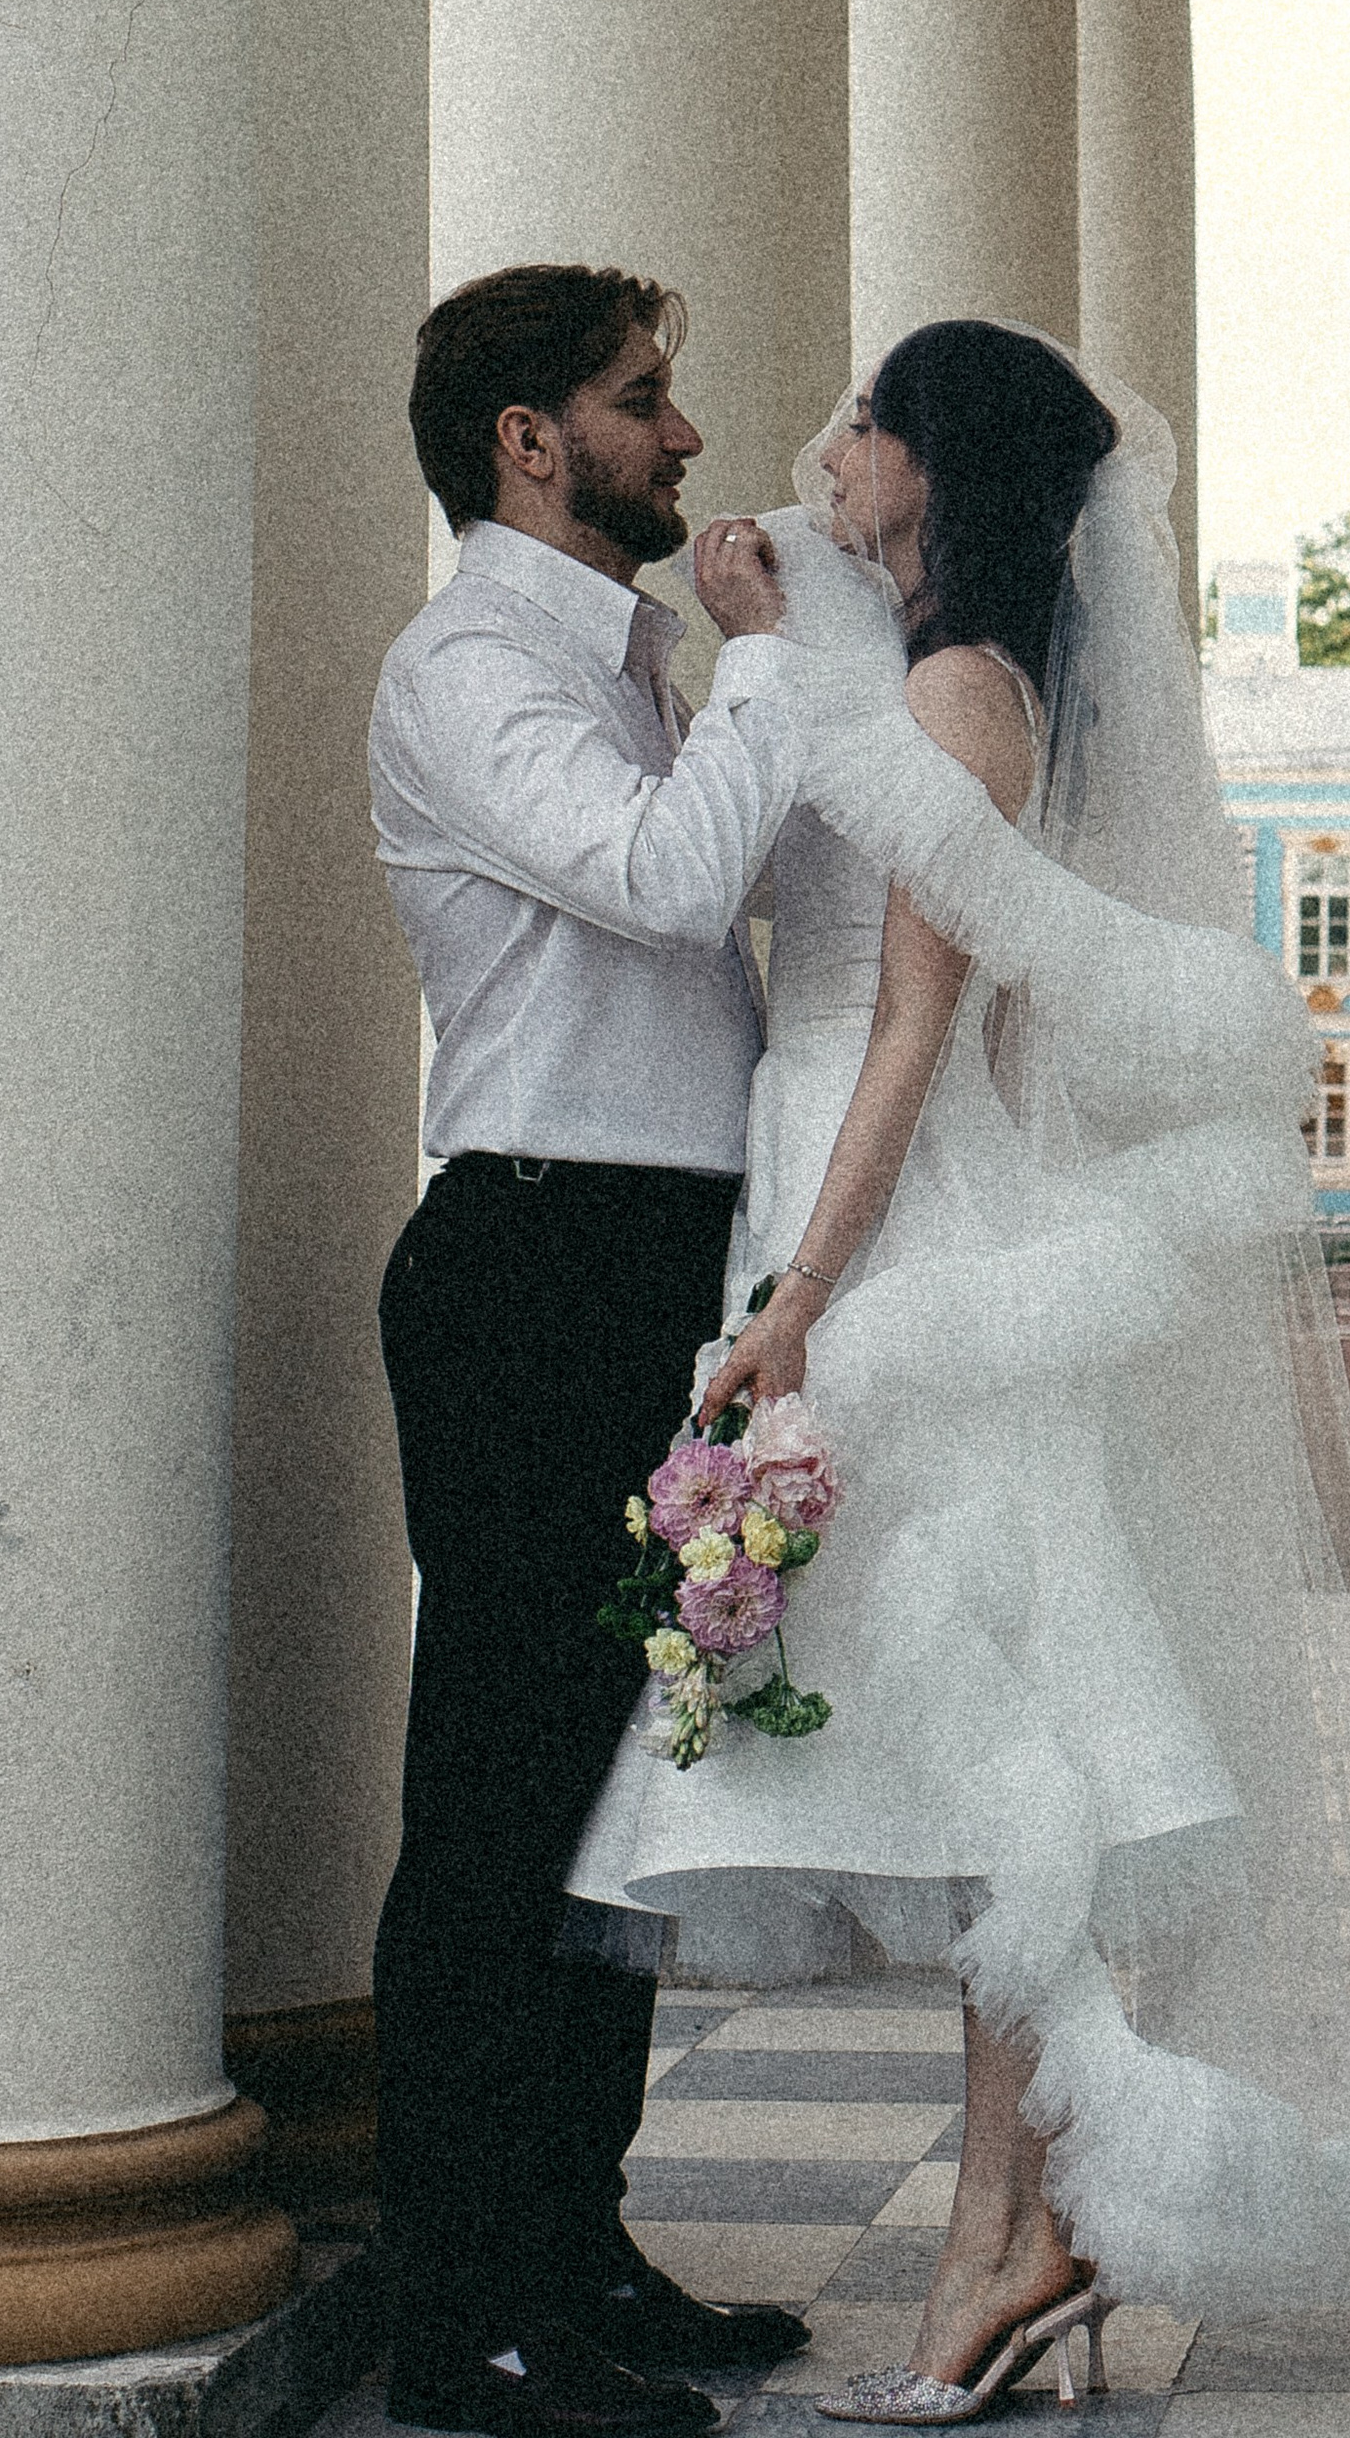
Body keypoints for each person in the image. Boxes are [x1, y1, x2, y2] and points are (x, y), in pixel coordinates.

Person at [571, 321, 1350, 2423]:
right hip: (853, 1189)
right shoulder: (917, 681)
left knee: (1017, 1762)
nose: (821, 448)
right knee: (987, 1773)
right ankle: (1013, 2233)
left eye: (862, 425)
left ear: (936, 473)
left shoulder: (946, 697)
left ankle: (1002, 2240)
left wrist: (799, 1304)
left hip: (905, 1219)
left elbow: (920, 1042)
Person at [363, 264, 814, 2438]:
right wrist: (762, 668)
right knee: (500, 1798)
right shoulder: (468, 668)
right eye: (646, 400)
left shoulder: (623, 666)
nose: (686, 437)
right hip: (533, 1264)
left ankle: (575, 2239)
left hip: (646, 1269)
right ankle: (463, 2316)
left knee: (617, 1787)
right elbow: (654, 880)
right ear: (526, 440)